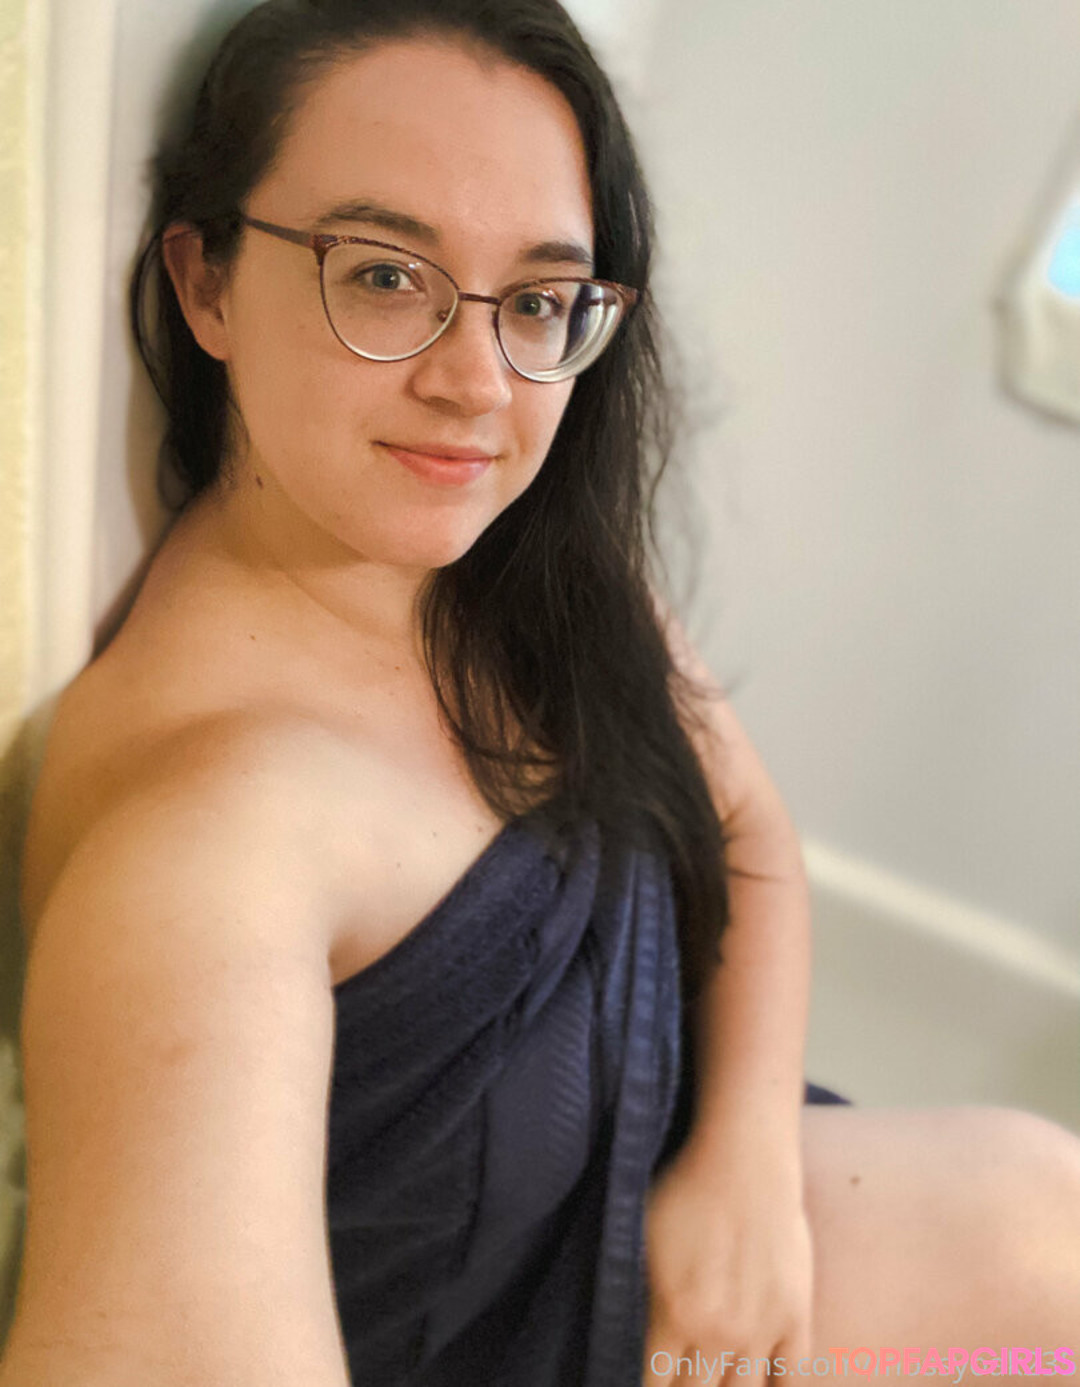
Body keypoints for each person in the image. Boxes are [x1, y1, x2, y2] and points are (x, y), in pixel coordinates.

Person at [3, 2, 1079, 1384]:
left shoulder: (513, 568)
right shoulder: (213, 854)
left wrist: (744, 1164)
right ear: (206, 284)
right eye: (384, 276)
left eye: (536, 301)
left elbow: (747, 836)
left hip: (692, 1197)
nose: (476, 386)